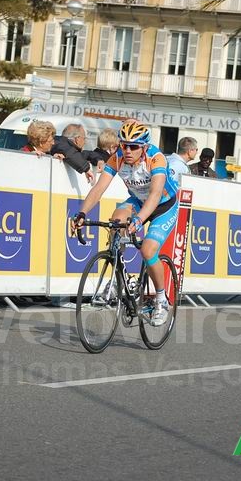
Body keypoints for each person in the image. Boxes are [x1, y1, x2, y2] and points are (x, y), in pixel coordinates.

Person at [71, 119, 180, 327]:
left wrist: (139, 220)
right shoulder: (118, 158)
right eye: (124, 145)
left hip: (163, 205)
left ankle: (161, 298)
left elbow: (155, 194)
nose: (128, 151)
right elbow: (98, 189)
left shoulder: (156, 159)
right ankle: (117, 280)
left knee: (147, 250)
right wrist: (82, 213)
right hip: (138, 201)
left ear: (144, 147)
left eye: (133, 147)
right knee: (116, 222)